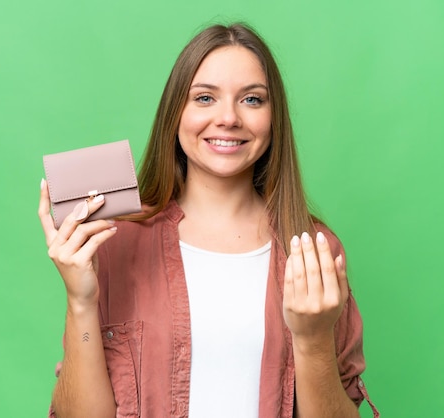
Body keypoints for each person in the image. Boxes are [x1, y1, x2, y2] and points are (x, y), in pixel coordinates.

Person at [39, 23, 378, 418]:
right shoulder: (114, 241)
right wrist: (80, 302)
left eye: (252, 99)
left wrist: (314, 340)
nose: (228, 118)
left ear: (274, 118)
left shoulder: (313, 250)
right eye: (204, 98)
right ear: (175, 113)